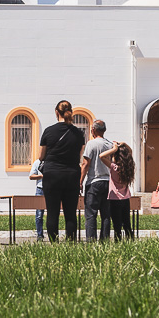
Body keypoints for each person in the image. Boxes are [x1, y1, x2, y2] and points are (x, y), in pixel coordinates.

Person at [37, 100, 85, 242]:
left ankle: (54, 244)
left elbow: (41, 156)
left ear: (56, 113)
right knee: (70, 213)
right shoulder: (78, 133)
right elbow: (80, 154)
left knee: (53, 213)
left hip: (52, 175)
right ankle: (70, 244)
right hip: (72, 175)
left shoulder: (48, 131)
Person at [81, 120, 113, 241]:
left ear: (93, 129)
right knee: (106, 214)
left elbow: (85, 164)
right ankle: (104, 240)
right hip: (107, 181)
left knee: (91, 214)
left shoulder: (91, 144)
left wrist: (80, 181)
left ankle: (91, 240)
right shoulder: (109, 145)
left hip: (94, 182)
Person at [99, 140, 136, 241]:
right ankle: (130, 241)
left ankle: (118, 241)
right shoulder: (128, 167)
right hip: (125, 199)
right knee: (127, 223)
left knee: (117, 225)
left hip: (114, 198)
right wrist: (124, 144)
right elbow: (131, 151)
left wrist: (114, 149)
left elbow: (101, 156)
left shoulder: (114, 167)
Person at [28, 155, 45, 240]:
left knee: (53, 214)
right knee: (39, 214)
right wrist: (42, 176)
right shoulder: (37, 162)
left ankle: (52, 234)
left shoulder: (54, 162)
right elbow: (31, 176)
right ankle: (40, 235)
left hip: (52, 189)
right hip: (40, 189)